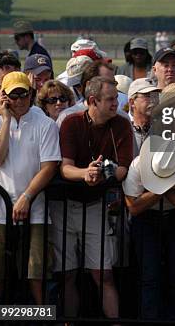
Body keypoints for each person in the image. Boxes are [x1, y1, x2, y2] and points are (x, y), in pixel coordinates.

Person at [52, 76, 133, 320]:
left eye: (116, 99)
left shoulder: (121, 124)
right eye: (109, 99)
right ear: (92, 101)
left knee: (103, 274)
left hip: (97, 205)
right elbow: (65, 168)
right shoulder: (71, 122)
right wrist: (86, 173)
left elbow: (123, 169)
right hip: (64, 207)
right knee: (66, 274)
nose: (115, 104)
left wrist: (100, 172)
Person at [0, 72, 60, 304]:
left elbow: (49, 167)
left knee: (37, 273)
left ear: (31, 94)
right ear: (4, 96)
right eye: (14, 95)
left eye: (24, 93)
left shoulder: (46, 124)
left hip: (36, 211)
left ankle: (42, 316)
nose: (20, 99)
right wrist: (5, 119)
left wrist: (27, 197)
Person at [124, 135, 175, 320]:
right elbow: (133, 207)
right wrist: (167, 187)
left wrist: (156, 188)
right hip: (146, 219)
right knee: (149, 275)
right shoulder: (138, 164)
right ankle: (150, 320)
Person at [128, 78, 160, 151]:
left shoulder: (164, 131)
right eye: (148, 96)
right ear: (132, 102)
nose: (153, 100)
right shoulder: (123, 132)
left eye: (155, 96)